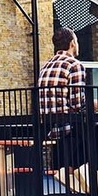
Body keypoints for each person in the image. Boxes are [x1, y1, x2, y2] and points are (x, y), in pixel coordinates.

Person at [37, 27, 86, 183]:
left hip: (48, 127)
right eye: (77, 41)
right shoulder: (74, 65)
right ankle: (74, 170)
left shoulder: (45, 66)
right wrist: (92, 105)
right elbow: (77, 104)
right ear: (72, 43)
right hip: (68, 127)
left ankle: (73, 171)